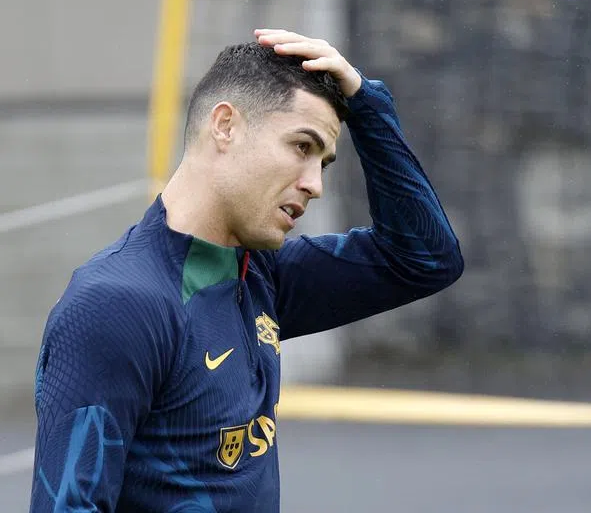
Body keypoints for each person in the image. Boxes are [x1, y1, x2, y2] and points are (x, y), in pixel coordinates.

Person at [29, 29, 464, 513]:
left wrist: (366, 102)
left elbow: (425, 258)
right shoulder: (117, 304)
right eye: (303, 147)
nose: (315, 184)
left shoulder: (261, 276)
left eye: (324, 163)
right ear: (225, 126)